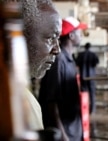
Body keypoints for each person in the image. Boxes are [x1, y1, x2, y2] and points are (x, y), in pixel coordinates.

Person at [4, 0, 62, 131]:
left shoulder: (19, 93)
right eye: (50, 38)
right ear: (20, 37)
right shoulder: (15, 102)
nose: (57, 49)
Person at [38, 17, 87, 141]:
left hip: (73, 130)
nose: (81, 35)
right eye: (79, 32)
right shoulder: (58, 61)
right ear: (71, 35)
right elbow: (51, 102)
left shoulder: (69, 59)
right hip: (65, 133)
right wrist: (63, 136)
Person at [76, 42, 99, 114]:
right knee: (92, 93)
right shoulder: (93, 54)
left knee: (84, 94)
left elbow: (76, 63)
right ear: (90, 47)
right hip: (91, 77)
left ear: (85, 47)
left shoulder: (80, 54)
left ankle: (84, 109)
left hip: (83, 76)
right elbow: (96, 62)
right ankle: (92, 110)